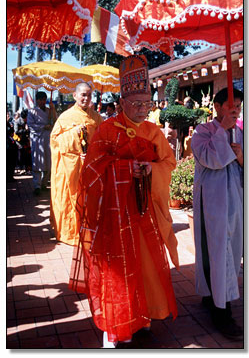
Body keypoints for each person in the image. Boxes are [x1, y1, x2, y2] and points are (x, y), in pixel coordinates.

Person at [69, 55, 179, 348]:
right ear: (122, 103)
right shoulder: (107, 130)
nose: (143, 110)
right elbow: (91, 170)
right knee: (118, 270)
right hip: (115, 215)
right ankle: (119, 325)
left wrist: (148, 169)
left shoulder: (153, 131)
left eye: (147, 104)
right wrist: (122, 168)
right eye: (136, 105)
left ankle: (143, 318)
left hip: (144, 212)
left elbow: (168, 164)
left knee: (144, 266)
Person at [191, 87, 243, 339]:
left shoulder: (242, 133)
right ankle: (222, 312)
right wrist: (222, 130)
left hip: (234, 199)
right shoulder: (203, 132)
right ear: (218, 106)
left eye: (239, 108)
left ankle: (214, 295)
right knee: (217, 250)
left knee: (231, 251)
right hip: (212, 202)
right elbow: (211, 159)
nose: (236, 112)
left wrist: (242, 157)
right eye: (231, 107)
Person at [50, 82, 103, 246]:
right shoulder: (66, 117)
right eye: (83, 95)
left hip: (91, 165)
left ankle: (90, 231)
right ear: (75, 96)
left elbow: (103, 139)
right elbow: (55, 141)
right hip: (71, 167)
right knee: (71, 197)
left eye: (89, 95)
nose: (86, 98)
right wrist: (75, 134)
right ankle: (70, 232)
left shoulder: (96, 117)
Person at [27, 92, 55, 195]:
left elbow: (55, 121)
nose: (43, 102)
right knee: (37, 162)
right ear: (37, 100)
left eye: (44, 99)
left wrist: (53, 110)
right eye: (41, 100)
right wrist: (43, 127)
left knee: (48, 162)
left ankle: (44, 184)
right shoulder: (32, 112)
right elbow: (30, 125)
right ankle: (37, 186)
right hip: (38, 139)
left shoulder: (49, 110)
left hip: (48, 139)